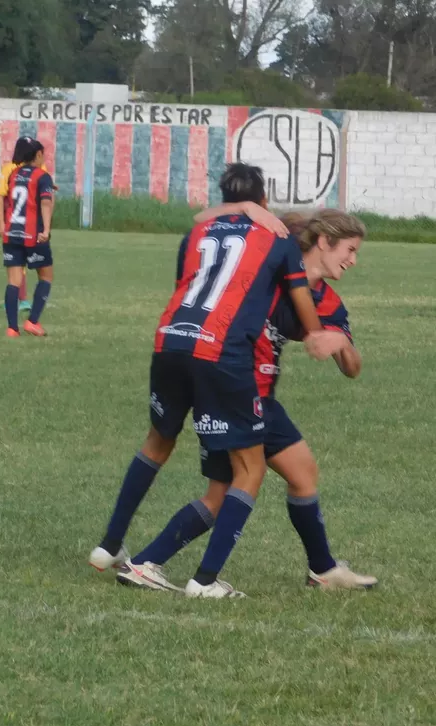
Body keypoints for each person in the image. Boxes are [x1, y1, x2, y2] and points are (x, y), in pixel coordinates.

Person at [87, 163, 349, 599]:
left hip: (171, 338)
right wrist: (318, 333)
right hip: (221, 354)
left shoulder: (197, 232)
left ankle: (109, 546)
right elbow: (300, 295)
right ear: (263, 202)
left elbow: (186, 283)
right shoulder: (278, 239)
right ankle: (203, 581)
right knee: (250, 469)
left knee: (157, 443)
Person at [1, 139, 55, 337]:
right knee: (46, 276)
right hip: (34, 236)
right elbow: (46, 203)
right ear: (38, 155)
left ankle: (12, 328)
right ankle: (32, 321)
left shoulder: (13, 174)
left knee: (13, 281)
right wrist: (46, 229)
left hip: (12, 234)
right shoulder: (43, 177)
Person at [0, 137, 34, 313]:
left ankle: (20, 299)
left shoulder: (36, 169)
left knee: (19, 261)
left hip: (26, 223)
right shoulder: (11, 169)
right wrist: (1, 222)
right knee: (17, 262)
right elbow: (0, 195)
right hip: (17, 223)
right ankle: (21, 299)